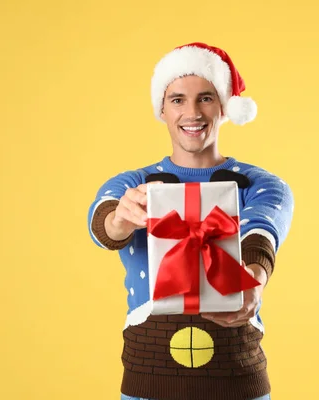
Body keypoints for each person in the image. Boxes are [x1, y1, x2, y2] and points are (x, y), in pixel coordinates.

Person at [87, 42, 295, 400]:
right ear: (162, 110)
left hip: (236, 374)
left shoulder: (262, 185)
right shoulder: (132, 185)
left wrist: (253, 282)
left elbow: (261, 234)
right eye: (178, 99)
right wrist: (121, 219)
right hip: (147, 378)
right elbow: (103, 222)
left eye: (206, 98)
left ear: (225, 106)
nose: (192, 113)